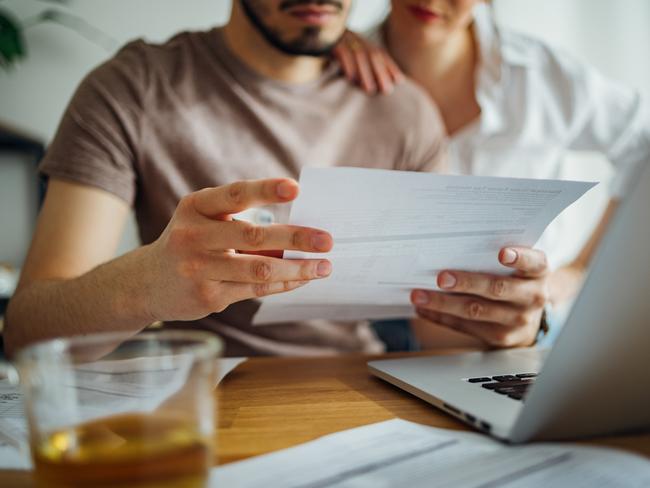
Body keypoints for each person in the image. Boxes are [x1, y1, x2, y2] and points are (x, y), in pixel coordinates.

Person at [4, 0, 450, 357]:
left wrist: (504, 325)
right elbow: (28, 333)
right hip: (203, 389)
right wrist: (147, 285)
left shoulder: (404, 111)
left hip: (357, 387)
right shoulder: (131, 89)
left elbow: (440, 333)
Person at [335, 0, 650, 349]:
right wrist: (323, 42)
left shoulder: (540, 76)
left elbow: (644, 146)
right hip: (373, 335)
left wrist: (579, 272)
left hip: (524, 327)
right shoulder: (331, 66)